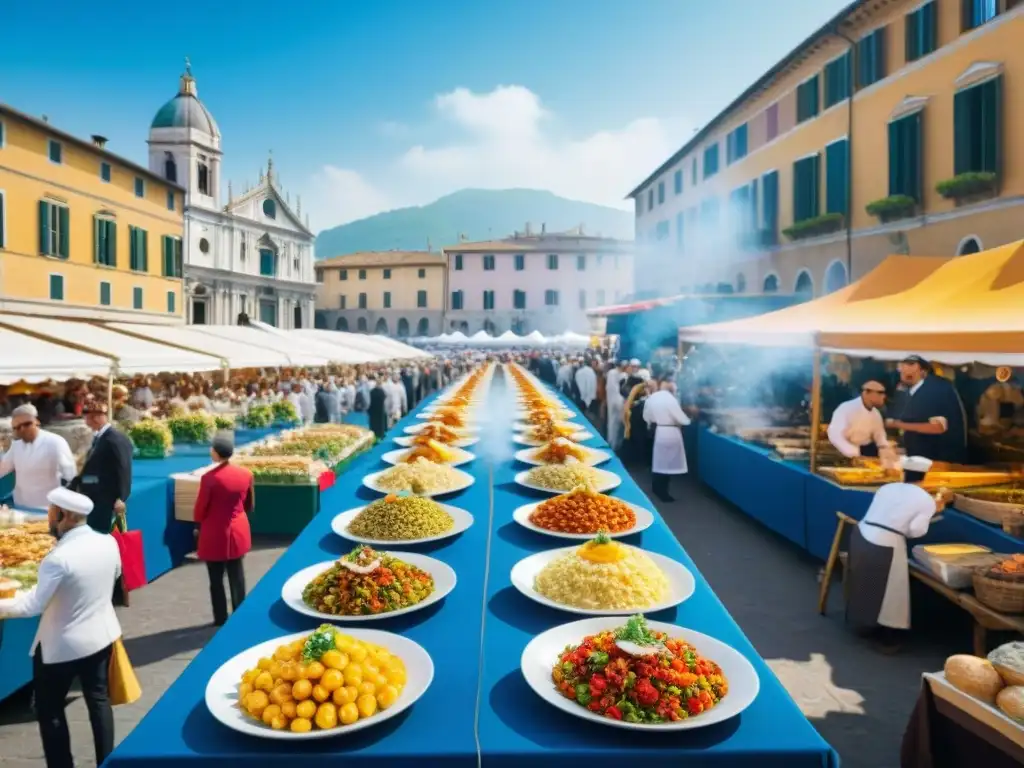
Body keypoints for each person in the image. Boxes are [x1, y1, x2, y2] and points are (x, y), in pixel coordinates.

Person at [0, 486, 121, 768]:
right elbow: (115, 575)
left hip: (61, 647)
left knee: (50, 709)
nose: (48, 519)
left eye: (51, 513)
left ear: (63, 516)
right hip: (100, 637)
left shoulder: (58, 559)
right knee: (99, 702)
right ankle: (108, 761)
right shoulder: (108, 542)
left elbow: (32, 606)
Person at [845, 456, 949, 652]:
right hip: (888, 541)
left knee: (864, 581)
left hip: (861, 533)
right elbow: (917, 531)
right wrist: (933, 511)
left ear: (904, 472)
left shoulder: (887, 488)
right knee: (893, 590)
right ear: (924, 476)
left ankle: (863, 623)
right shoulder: (926, 500)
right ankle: (889, 635)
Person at [194, 433, 253, 627]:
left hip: (215, 532)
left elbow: (200, 509)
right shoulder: (245, 474)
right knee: (237, 576)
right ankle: (240, 613)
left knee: (216, 578)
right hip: (237, 529)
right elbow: (249, 504)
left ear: (216, 453)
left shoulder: (209, 478)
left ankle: (220, 618)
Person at [886, 356, 968, 463]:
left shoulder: (936, 389)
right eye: (901, 365)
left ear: (923, 371)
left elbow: (938, 427)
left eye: (911, 364)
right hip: (916, 457)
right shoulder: (906, 390)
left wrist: (897, 424)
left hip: (940, 460)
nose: (903, 368)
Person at [70, 400, 132, 535]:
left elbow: (123, 469)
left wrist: (120, 498)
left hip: (106, 498)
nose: (85, 422)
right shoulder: (101, 437)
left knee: (102, 532)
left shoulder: (114, 439)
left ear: (96, 418)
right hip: (96, 496)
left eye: (87, 418)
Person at [0, 404, 77, 510]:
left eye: (27, 424)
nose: (22, 429)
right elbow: (2, 469)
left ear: (36, 421)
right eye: (17, 427)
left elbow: (70, 477)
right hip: (21, 509)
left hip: (48, 510)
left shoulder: (55, 442)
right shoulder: (16, 446)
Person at [643, 379, 691, 502]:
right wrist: (688, 419)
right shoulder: (670, 399)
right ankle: (663, 492)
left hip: (659, 431)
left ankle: (656, 487)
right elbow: (682, 419)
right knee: (667, 465)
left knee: (659, 462)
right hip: (671, 432)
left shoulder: (652, 398)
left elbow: (646, 416)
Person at [827, 380, 896, 464]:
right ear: (866, 393)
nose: (883, 396)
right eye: (880, 393)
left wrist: (885, 449)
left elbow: (880, 436)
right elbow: (835, 436)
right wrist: (856, 452)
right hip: (842, 457)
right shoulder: (846, 408)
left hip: (866, 457)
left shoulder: (876, 414)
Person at [605, 360, 628, 451]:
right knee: (614, 427)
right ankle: (613, 447)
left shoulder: (622, 374)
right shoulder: (613, 373)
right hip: (615, 404)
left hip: (619, 404)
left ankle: (617, 447)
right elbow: (614, 391)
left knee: (619, 428)